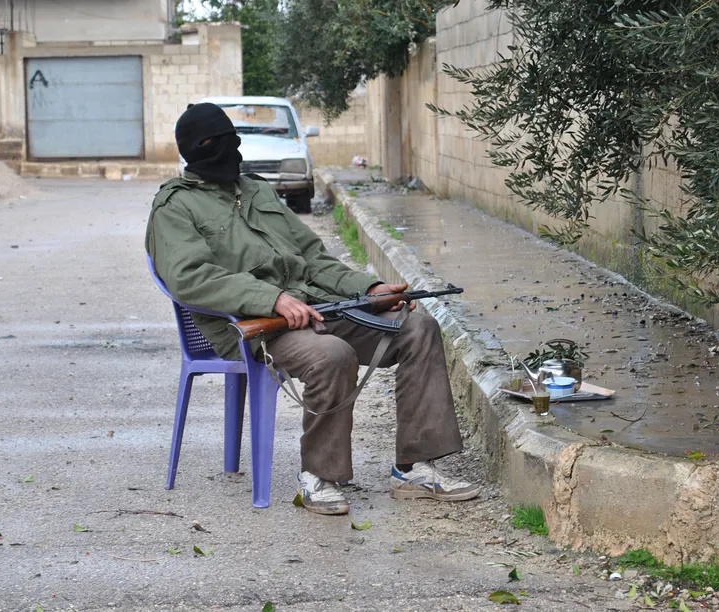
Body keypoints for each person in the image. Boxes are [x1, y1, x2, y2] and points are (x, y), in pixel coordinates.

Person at [145, 103, 481, 515]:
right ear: (195, 149)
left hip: (316, 309)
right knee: (331, 355)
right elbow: (189, 278)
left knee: (418, 328)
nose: (229, 150)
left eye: (232, 140)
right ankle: (319, 477)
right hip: (253, 327)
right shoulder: (175, 207)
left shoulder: (256, 190)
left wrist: (369, 289)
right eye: (217, 143)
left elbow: (312, 256)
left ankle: (414, 468)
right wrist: (270, 299)